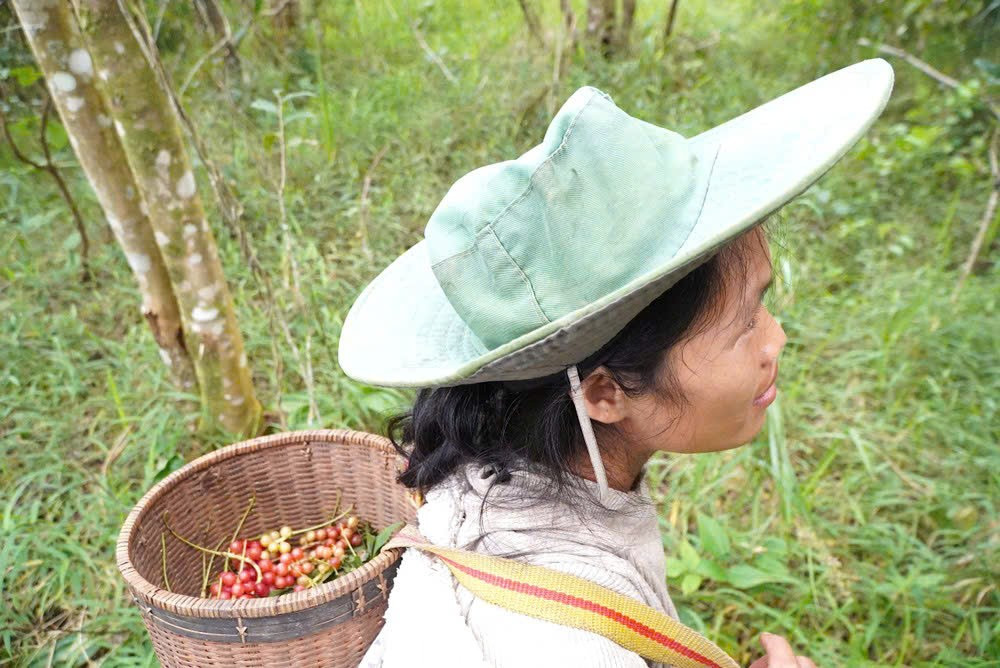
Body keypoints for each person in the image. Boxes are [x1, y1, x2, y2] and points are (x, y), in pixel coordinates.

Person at [339, 59, 894, 667]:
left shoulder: (496, 461)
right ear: (603, 394)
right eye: (744, 325)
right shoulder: (553, 648)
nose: (777, 339)